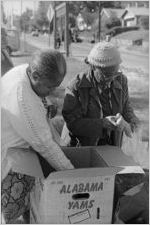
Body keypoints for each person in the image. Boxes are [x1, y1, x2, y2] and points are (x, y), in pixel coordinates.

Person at [1, 49, 74, 223]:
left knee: (29, 204)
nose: (52, 91)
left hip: (20, 153)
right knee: (11, 209)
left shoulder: (24, 71)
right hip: (12, 161)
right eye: (49, 87)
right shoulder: (21, 97)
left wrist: (45, 104)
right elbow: (45, 145)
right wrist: (72, 173)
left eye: (56, 86)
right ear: (35, 75)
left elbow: (36, 99)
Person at [62, 41, 140, 147]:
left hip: (111, 147)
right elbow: (72, 123)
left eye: (115, 73)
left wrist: (132, 121)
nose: (112, 78)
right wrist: (102, 124)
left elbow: (126, 108)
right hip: (82, 148)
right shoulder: (76, 86)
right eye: (107, 74)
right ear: (93, 67)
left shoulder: (121, 80)